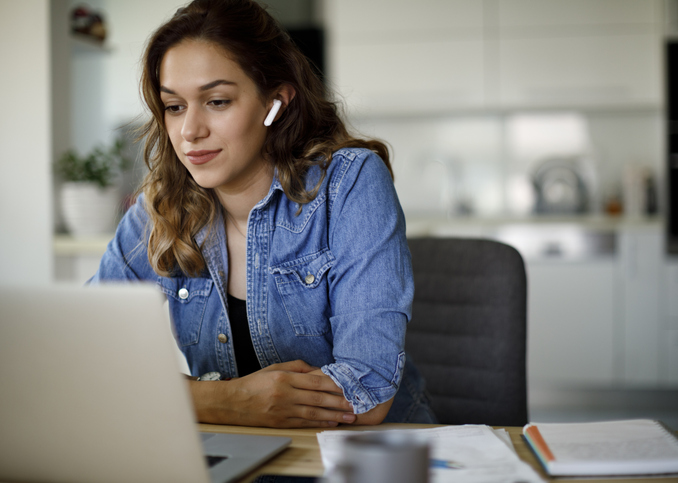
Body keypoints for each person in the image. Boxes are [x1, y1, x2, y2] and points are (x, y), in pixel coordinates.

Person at [90, 0, 435, 428]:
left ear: (276, 102)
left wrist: (178, 396)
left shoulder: (349, 183)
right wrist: (223, 400)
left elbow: (366, 393)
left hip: (362, 458)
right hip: (235, 452)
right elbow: (84, 353)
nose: (189, 131)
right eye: (174, 106)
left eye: (216, 101)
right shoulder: (162, 206)